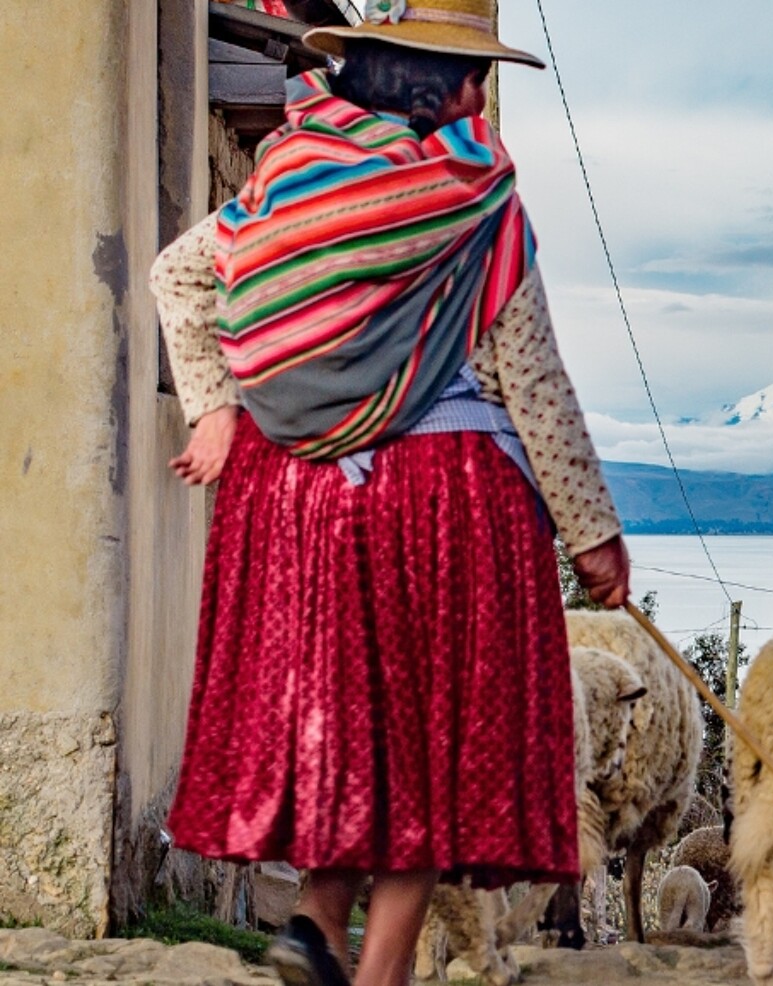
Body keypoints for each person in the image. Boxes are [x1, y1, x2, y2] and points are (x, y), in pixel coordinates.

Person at [149, 3, 625, 984]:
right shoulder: (472, 202)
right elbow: (530, 378)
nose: (480, 94)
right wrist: (592, 534)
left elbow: (174, 276)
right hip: (438, 491)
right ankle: (379, 970)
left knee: (349, 723)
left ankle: (317, 923)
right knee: (429, 743)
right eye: (469, 76)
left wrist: (214, 409)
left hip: (293, 498)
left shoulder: (288, 178)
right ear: (436, 88)